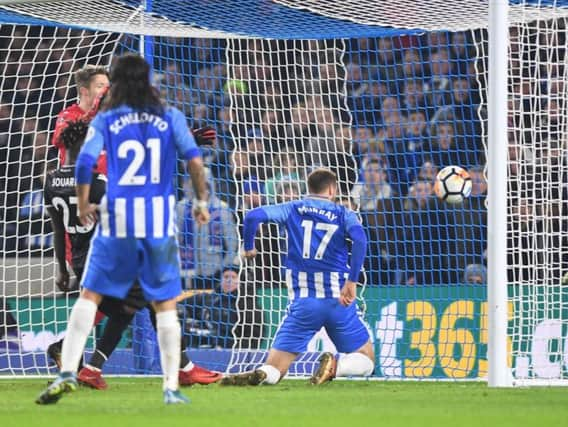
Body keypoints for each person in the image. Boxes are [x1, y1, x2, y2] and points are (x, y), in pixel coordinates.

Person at [36, 53, 209, 405]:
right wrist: (201, 201)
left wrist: (85, 202)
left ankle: (76, 366)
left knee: (102, 295)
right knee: (156, 298)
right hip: (150, 217)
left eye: (108, 84)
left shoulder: (109, 119)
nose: (105, 90)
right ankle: (174, 379)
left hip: (108, 212)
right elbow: (184, 156)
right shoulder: (87, 116)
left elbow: (86, 160)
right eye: (100, 86)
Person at [43, 120, 221, 391]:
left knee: (133, 306)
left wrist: (62, 269)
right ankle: (183, 369)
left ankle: (86, 365)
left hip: (80, 260)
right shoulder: (98, 182)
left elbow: (58, 231)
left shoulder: (51, 182)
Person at [221, 168, 374, 386]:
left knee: (275, 367)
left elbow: (252, 216)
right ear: (332, 189)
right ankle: (337, 367)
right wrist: (352, 281)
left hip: (303, 303)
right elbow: (360, 240)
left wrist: (248, 247)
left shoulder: (293, 208)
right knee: (366, 359)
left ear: (308, 189)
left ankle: (264, 373)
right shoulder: (343, 213)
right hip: (338, 301)